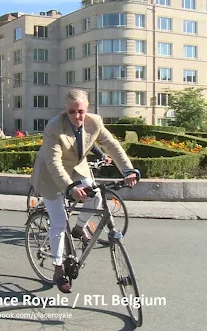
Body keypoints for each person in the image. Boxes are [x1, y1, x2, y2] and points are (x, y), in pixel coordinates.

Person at [29, 89, 137, 294]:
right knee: (59, 223)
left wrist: (128, 170)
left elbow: (112, 145)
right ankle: (58, 270)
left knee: (96, 197)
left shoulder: (94, 122)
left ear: (87, 109)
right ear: (65, 110)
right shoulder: (54, 127)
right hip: (51, 175)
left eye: (80, 111)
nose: (77, 116)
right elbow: (53, 162)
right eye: (71, 112)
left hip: (78, 168)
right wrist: (70, 188)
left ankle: (79, 228)